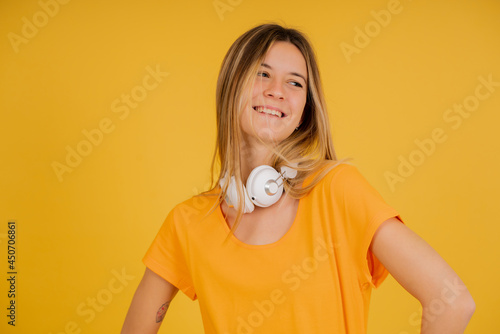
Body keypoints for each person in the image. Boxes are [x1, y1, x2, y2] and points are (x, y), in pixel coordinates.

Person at [121, 23, 475, 334]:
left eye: (295, 83)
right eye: (262, 74)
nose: (278, 90)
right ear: (231, 84)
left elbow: (452, 301)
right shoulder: (188, 222)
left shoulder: (337, 190)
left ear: (304, 109)